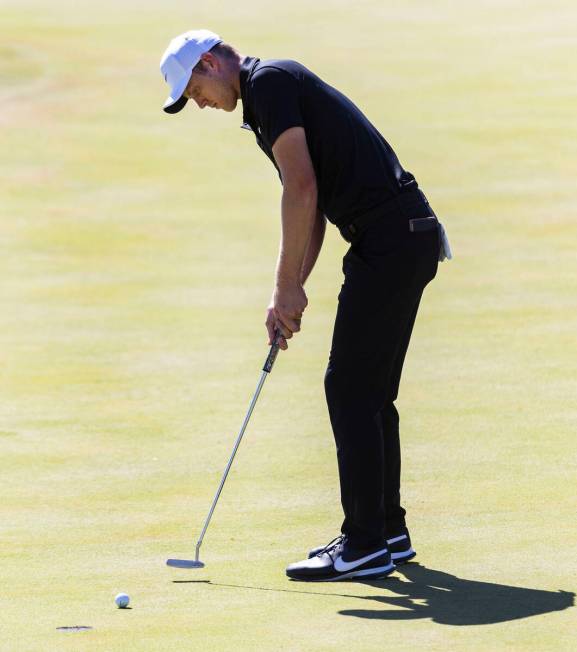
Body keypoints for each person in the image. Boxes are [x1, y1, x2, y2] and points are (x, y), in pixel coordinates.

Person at [159, 29, 450, 582]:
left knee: (349, 387)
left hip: (390, 240)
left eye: (194, 88)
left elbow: (302, 189)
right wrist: (288, 289)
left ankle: (364, 543)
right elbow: (310, 206)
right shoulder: (268, 94)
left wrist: (285, 287)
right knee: (367, 391)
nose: (197, 102)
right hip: (398, 237)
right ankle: (386, 531)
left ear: (210, 63)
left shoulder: (268, 84)